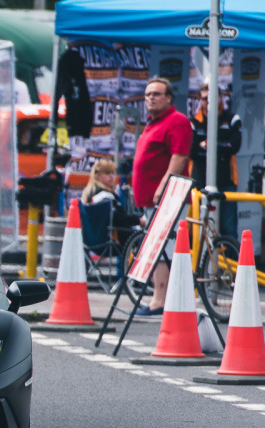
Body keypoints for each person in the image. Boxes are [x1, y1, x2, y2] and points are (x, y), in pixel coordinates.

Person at [131, 76, 192, 315]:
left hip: (168, 198)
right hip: (152, 200)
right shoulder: (152, 123)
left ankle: (160, 300)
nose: (151, 98)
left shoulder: (176, 121)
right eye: (147, 95)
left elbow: (179, 157)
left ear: (168, 98)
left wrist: (164, 185)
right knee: (157, 247)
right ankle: (161, 298)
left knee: (164, 249)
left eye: (156, 94)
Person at [190, 81, 242, 237]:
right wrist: (219, 147)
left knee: (229, 228)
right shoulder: (194, 122)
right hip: (200, 180)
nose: (209, 102)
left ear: (220, 97)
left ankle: (231, 259)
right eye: (205, 98)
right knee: (198, 227)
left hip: (227, 179)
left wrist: (208, 145)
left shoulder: (232, 118)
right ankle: (200, 260)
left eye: (213, 98)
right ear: (199, 100)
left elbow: (234, 146)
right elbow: (192, 151)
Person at [81, 159, 140, 233]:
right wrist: (138, 220)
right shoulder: (103, 196)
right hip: (113, 237)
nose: (112, 177)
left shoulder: (89, 193)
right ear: (97, 175)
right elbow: (117, 218)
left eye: (113, 173)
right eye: (107, 173)